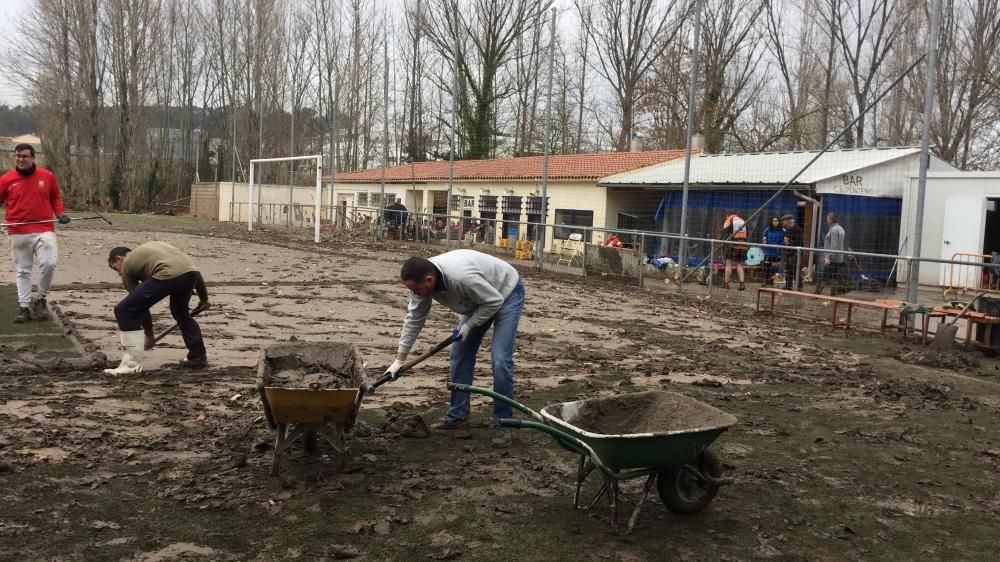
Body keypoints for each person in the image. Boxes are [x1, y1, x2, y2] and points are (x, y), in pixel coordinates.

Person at [386, 249, 524, 448]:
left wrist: (468, 326)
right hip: (478, 299)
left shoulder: (461, 278)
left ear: (429, 281)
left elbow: (494, 301)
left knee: (500, 359)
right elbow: (414, 320)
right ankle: (457, 419)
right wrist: (399, 360)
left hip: (506, 291)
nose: (414, 294)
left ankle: (504, 422)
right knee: (459, 353)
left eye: (416, 290)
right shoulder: (420, 282)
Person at [104, 241, 210, 375]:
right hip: (189, 275)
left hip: (166, 274)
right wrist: (204, 299)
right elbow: (195, 273)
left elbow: (139, 307)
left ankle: (130, 365)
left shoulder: (128, 264)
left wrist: (149, 335)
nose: (119, 274)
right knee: (181, 314)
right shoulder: (153, 251)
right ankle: (198, 358)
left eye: (116, 269)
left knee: (124, 310)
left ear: (119, 259)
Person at [0, 143, 69, 323]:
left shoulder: (47, 177)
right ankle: (24, 308)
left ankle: (40, 300)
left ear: (33, 157)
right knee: (23, 271)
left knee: (49, 263)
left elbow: (55, 197)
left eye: (25, 156)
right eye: (18, 156)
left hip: (44, 229)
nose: (21, 159)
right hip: (18, 230)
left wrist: (60, 213)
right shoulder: (6, 179)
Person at [815, 213, 850, 296]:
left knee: (824, 277)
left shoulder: (834, 230)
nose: (826, 220)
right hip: (839, 258)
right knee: (834, 277)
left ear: (830, 219)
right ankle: (833, 295)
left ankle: (817, 294)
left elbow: (834, 245)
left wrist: (829, 257)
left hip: (832, 258)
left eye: (827, 218)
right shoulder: (841, 228)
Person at [721, 211, 748, 291]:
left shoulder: (729, 219)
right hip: (742, 244)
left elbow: (725, 233)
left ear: (727, 215)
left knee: (728, 263)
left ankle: (726, 283)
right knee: (739, 264)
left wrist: (722, 242)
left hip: (732, 244)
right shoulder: (742, 220)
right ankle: (742, 284)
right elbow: (747, 233)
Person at [781, 214, 803, 290]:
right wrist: (785, 242)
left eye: (784, 221)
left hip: (795, 253)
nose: (783, 222)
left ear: (788, 221)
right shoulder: (787, 230)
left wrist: (789, 241)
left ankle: (799, 286)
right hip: (788, 252)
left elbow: (799, 243)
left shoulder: (797, 229)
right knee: (788, 270)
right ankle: (788, 286)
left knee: (795, 270)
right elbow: (784, 240)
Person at [761, 216, 785, 286]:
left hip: (777, 252)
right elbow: (764, 238)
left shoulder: (782, 230)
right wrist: (766, 244)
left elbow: (784, 240)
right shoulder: (768, 229)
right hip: (768, 251)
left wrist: (779, 245)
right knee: (766, 266)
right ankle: (766, 281)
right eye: (773, 221)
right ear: (771, 222)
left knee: (775, 267)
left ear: (779, 221)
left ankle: (772, 281)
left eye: (776, 220)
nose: (775, 222)